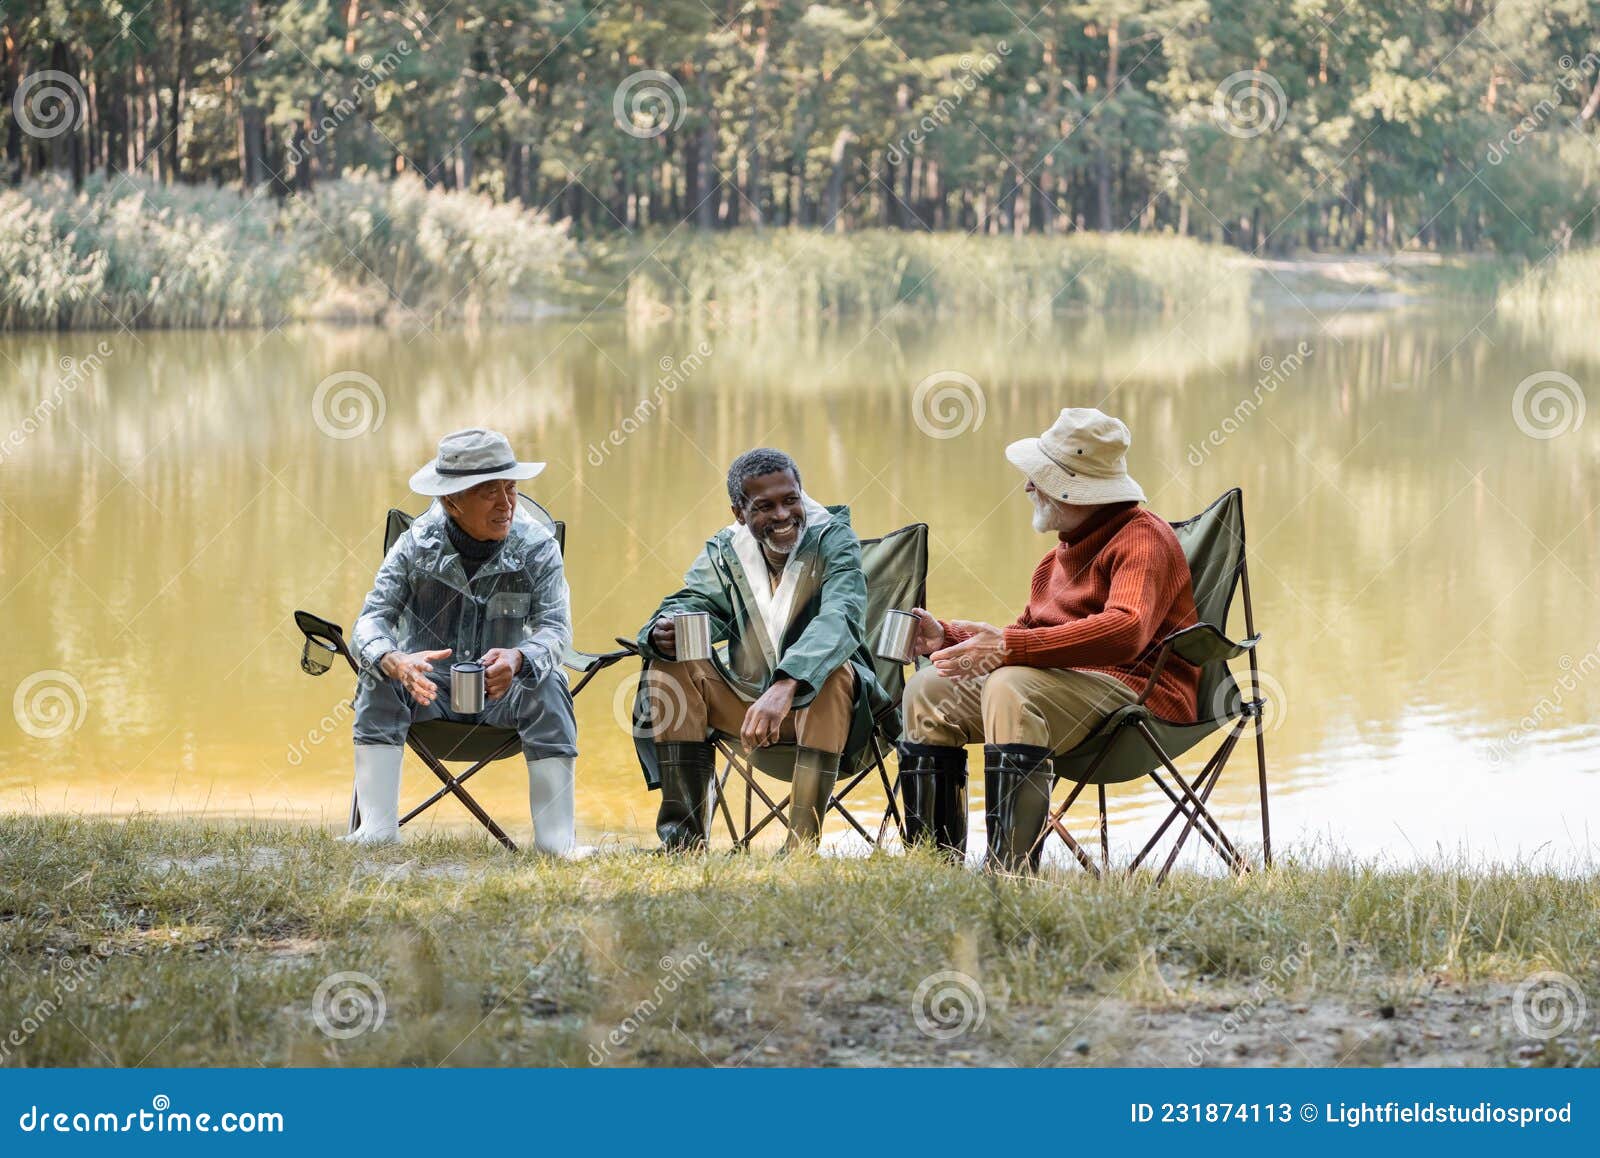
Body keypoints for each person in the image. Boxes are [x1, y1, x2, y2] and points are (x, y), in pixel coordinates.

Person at [898, 408, 1201, 872]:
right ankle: (933, 868)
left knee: (1010, 685)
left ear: (1073, 486)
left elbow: (1127, 630)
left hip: (1142, 694)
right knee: (928, 689)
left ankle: (1010, 872)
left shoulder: (1143, 540)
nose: (1027, 487)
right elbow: (1027, 636)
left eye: (1038, 477)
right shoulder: (1055, 559)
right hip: (1067, 690)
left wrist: (1008, 649)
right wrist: (948, 637)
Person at [633, 448, 893, 852]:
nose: (784, 515)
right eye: (764, 506)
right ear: (739, 512)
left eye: (791, 499)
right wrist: (660, 631)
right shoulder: (725, 550)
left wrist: (786, 684)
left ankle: (800, 848)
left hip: (831, 713)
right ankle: (683, 843)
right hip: (749, 712)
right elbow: (692, 601)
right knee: (670, 666)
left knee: (834, 671)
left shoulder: (833, 540)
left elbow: (841, 617)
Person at [344, 428, 579, 854]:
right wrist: (395, 659)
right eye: (490, 492)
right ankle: (377, 829)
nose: (507, 504)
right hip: (427, 693)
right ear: (452, 500)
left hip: (504, 693)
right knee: (379, 675)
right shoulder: (415, 544)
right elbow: (370, 621)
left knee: (549, 681)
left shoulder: (537, 547)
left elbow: (557, 629)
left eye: (511, 489)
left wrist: (520, 657)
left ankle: (556, 843)